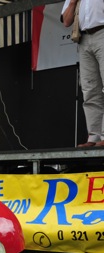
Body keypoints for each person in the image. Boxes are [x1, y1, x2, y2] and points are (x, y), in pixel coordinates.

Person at [62, 0, 104, 147]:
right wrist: (73, 2)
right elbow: (66, 21)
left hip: (102, 33)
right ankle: (94, 138)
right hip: (83, 38)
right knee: (90, 90)